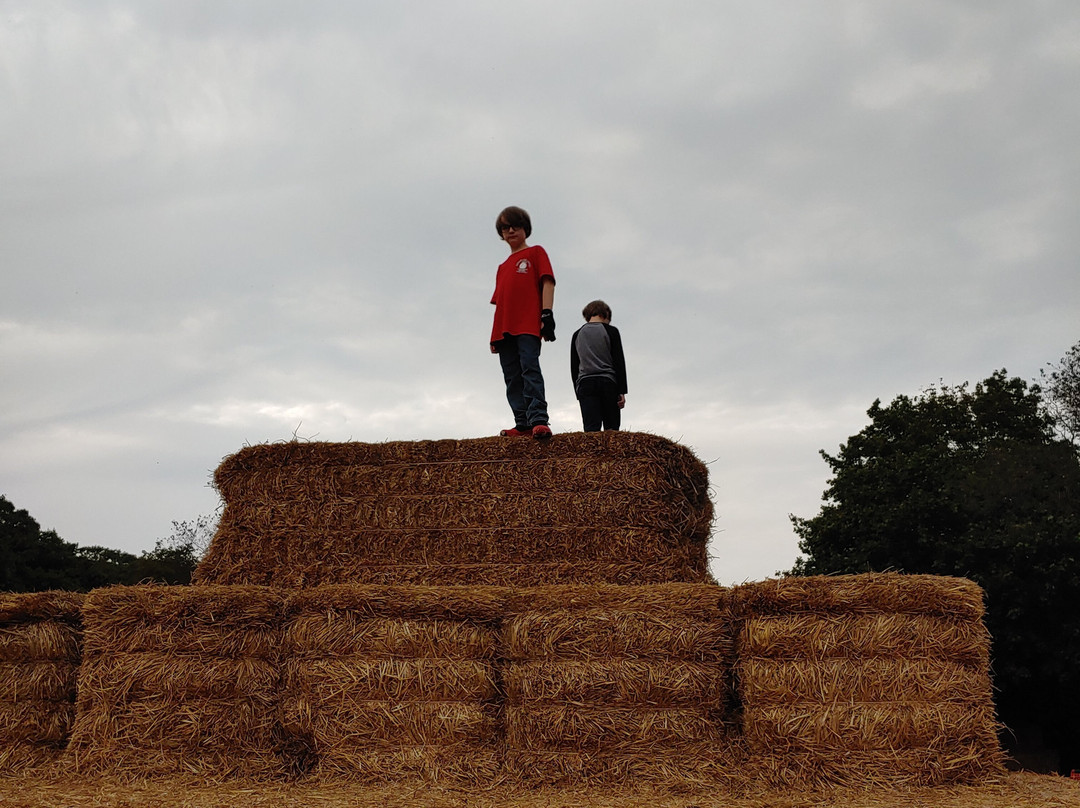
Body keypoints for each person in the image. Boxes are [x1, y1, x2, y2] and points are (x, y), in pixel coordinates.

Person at [489, 205, 556, 439]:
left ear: (525, 228)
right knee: (512, 377)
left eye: (515, 225)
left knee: (530, 368)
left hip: (527, 324)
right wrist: (493, 335)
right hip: (504, 329)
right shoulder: (502, 267)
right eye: (505, 227)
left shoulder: (536, 253)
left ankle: (539, 419)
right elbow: (500, 304)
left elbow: (548, 282)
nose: (510, 230)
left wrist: (547, 314)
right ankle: (522, 422)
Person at [570, 300, 627, 432]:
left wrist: (577, 391)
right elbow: (619, 361)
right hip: (608, 383)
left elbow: (574, 366)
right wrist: (621, 390)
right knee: (612, 430)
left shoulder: (577, 334)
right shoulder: (611, 331)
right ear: (605, 314)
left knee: (591, 431)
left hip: (585, 384)